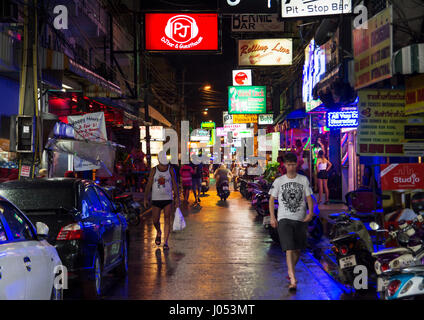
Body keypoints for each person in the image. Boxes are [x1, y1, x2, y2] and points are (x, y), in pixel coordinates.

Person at [268, 152, 314, 291]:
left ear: (296, 164)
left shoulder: (303, 180)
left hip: (300, 218)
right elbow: (271, 199)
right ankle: (293, 279)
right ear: (285, 165)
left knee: (298, 249)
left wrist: (310, 213)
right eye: (289, 165)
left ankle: (291, 270)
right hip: (284, 218)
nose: (291, 167)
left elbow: (309, 197)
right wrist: (272, 217)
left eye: (293, 164)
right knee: (289, 249)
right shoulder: (279, 181)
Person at [144, 162, 180, 250]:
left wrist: (177, 198)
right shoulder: (154, 170)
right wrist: (145, 197)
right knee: (155, 220)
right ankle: (159, 232)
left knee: (167, 219)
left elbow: (175, 184)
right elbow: (149, 184)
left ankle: (166, 242)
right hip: (156, 199)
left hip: (168, 198)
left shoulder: (170, 170)